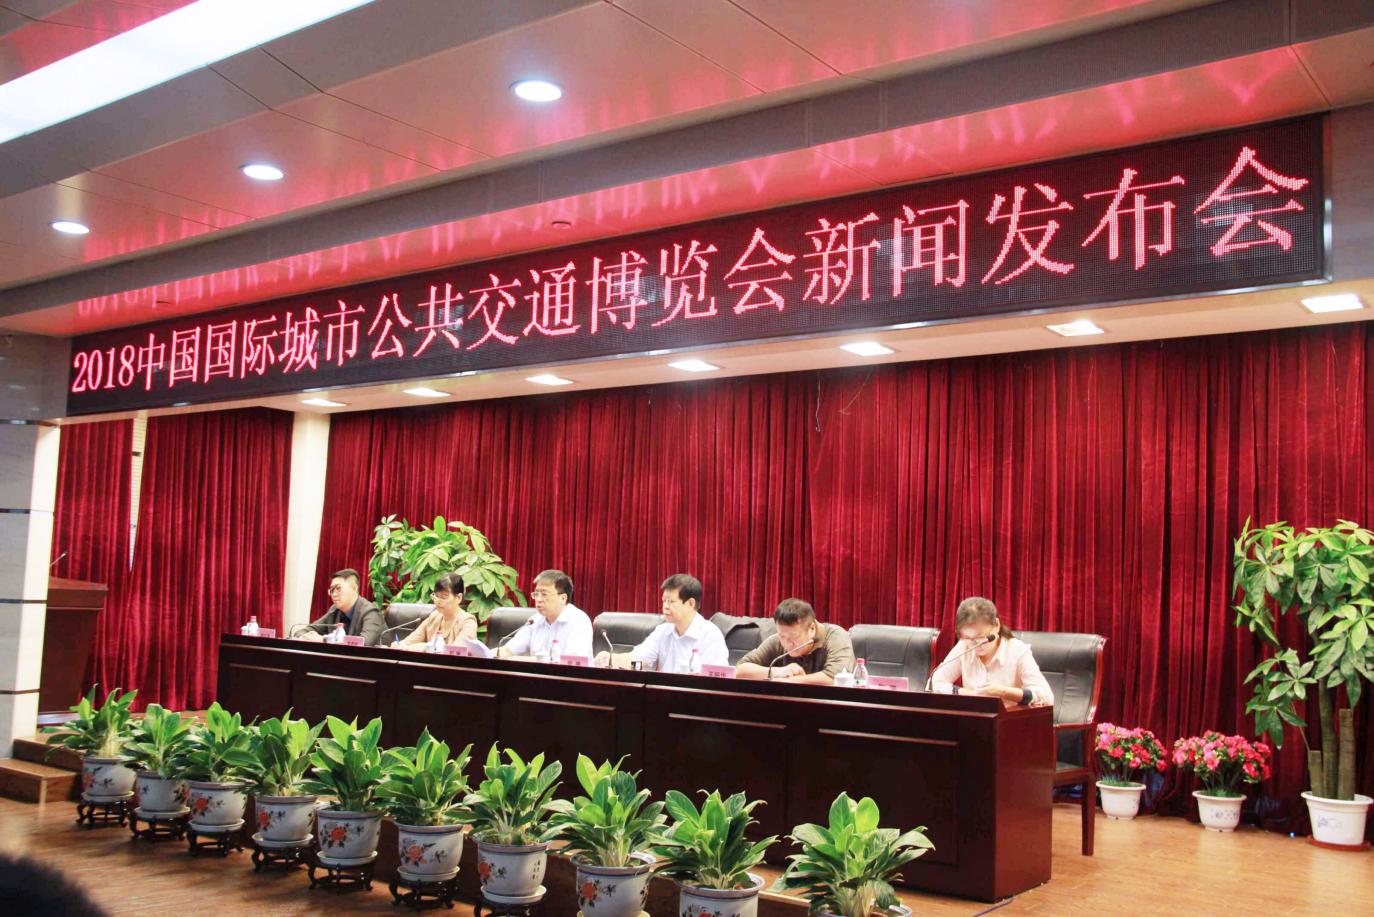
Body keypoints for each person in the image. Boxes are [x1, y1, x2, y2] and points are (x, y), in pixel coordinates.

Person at [930, 596, 1054, 707]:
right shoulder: (964, 646)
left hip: (1010, 719)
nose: (975, 644)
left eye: (980, 637)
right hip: (974, 718)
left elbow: (1046, 697)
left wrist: (1003, 692)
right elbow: (937, 682)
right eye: (968, 637)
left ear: (997, 625)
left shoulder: (1018, 650)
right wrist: (971, 694)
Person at [599, 574, 727, 672]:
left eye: (671, 602)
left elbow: (715, 679)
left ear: (690, 603)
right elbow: (639, 661)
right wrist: (611, 659)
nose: (665, 606)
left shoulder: (710, 635)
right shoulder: (663, 631)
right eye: (664, 601)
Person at [735, 598, 854, 684]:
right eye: (782, 636)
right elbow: (740, 670)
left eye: (794, 637)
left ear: (812, 628)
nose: (787, 643)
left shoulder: (836, 637)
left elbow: (835, 679)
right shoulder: (776, 641)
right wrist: (778, 672)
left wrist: (788, 680)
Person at [497, 569, 593, 660]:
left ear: (563, 598)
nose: (538, 599)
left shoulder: (579, 621)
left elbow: (571, 662)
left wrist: (519, 659)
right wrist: (490, 655)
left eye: (544, 594)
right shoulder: (534, 620)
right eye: (536, 594)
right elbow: (508, 650)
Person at [392, 572, 479, 650]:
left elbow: (455, 654)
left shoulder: (468, 622)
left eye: (444, 597)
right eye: (436, 596)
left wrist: (425, 647)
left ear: (458, 598)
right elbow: (409, 641)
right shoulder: (434, 617)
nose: (438, 601)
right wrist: (400, 645)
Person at [300, 568, 385, 646]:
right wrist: (306, 637)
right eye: (332, 590)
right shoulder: (334, 610)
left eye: (338, 588)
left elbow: (363, 643)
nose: (334, 594)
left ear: (354, 589)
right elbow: (304, 631)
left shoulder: (371, 612)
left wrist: (324, 639)